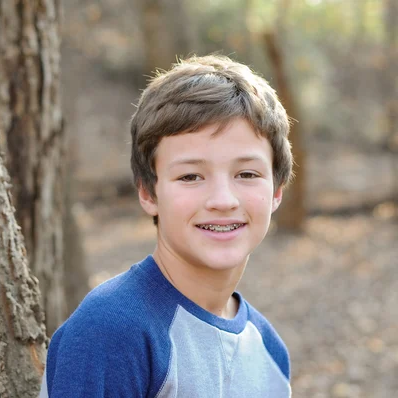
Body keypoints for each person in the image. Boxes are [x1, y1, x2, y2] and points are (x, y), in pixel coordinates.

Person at [39, 55, 293, 397]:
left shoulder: (269, 352)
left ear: (276, 191)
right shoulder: (112, 331)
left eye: (246, 174)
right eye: (191, 176)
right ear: (148, 192)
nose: (223, 200)